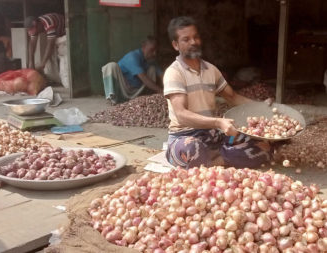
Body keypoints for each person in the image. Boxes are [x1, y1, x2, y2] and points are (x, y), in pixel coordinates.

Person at [164, 16, 273, 169]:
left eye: (196, 37)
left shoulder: (211, 69)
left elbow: (233, 97)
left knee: (261, 144)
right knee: (192, 149)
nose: (193, 42)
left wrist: (261, 107)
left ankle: (216, 160)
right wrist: (217, 122)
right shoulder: (174, 72)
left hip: (213, 136)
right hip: (185, 136)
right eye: (186, 39)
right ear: (176, 45)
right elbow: (181, 114)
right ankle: (224, 158)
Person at [102, 36, 163, 104]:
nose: (154, 53)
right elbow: (144, 78)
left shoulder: (150, 59)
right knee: (112, 65)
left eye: (156, 51)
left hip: (136, 91)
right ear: (144, 46)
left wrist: (168, 89)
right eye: (152, 50)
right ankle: (112, 98)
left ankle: (147, 96)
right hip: (123, 90)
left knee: (152, 69)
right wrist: (160, 90)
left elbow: (161, 75)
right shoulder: (133, 57)